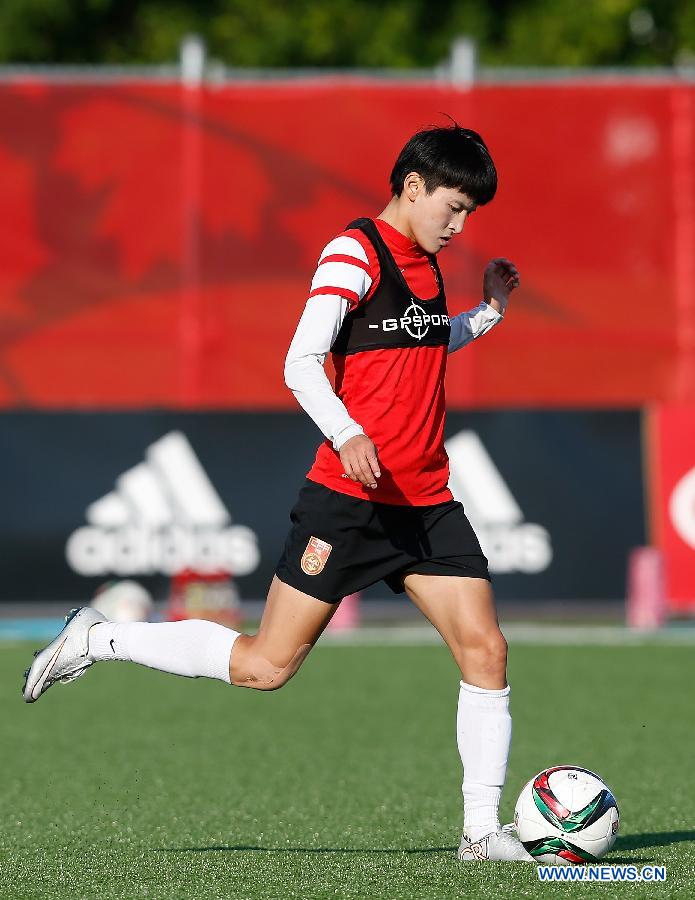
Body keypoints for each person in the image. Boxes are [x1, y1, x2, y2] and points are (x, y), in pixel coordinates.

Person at [23, 123, 532, 863]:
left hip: (423, 501)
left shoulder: (428, 265)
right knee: (266, 667)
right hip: (349, 501)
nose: (459, 227)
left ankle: (480, 833)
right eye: (453, 207)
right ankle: (98, 638)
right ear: (413, 186)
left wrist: (485, 314)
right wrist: (347, 430)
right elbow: (299, 362)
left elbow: (420, 341)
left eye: (469, 215)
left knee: (485, 651)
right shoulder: (352, 253)